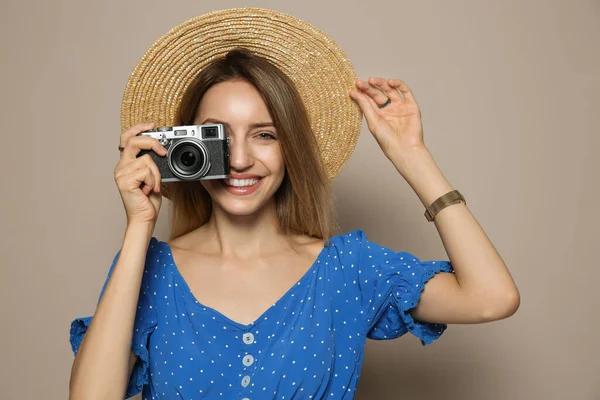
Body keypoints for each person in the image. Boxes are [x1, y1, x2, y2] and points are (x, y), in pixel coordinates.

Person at [68, 8, 520, 400]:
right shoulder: (150, 271)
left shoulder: (347, 269)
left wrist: (412, 157)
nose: (240, 160)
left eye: (265, 135)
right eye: (217, 138)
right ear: (185, 150)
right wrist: (138, 225)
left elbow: (491, 298)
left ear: (291, 149)